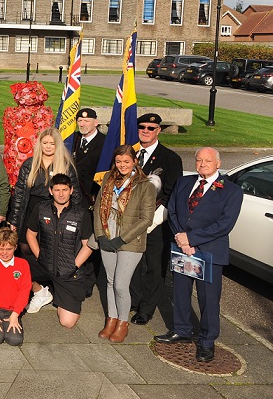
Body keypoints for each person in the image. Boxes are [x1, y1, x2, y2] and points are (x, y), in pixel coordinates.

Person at [156, 147, 243, 363]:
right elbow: (173, 210)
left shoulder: (231, 191)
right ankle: (182, 330)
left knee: (208, 300)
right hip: (182, 248)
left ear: (218, 164)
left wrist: (192, 239)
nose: (203, 164)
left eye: (208, 161)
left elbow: (224, 224)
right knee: (180, 292)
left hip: (209, 252)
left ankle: (206, 341)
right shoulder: (184, 182)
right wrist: (181, 238)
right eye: (199, 160)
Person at [94, 145, 156, 343]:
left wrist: (122, 239)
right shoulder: (108, 179)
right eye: (119, 161)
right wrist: (100, 234)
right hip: (108, 234)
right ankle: (111, 319)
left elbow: (146, 219)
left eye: (126, 162)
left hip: (130, 240)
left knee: (121, 284)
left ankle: (122, 322)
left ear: (135, 162)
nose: (122, 165)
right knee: (110, 281)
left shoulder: (145, 185)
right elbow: (97, 208)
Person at [130, 112, 184, 326]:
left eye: (150, 128)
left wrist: (153, 220)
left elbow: (172, 194)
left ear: (158, 130)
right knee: (132, 263)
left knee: (154, 267)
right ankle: (134, 300)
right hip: (131, 222)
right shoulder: (130, 153)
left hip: (156, 223)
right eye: (142, 127)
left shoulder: (170, 158)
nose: (145, 131)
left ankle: (146, 308)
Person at [25, 174, 94, 328]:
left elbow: (88, 245)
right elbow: (30, 234)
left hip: (68, 272)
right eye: (57, 190)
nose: (61, 194)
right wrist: (39, 255)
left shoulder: (81, 214)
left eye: (64, 189)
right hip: (45, 264)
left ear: (71, 190)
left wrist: (74, 265)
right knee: (17, 268)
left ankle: (59, 294)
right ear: (51, 191)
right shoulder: (41, 208)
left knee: (67, 322)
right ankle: (40, 291)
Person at [7, 127, 83, 254]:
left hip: (54, 212)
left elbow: (75, 196)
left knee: (49, 249)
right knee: (25, 247)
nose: (48, 147)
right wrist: (14, 219)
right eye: (45, 143)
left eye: (52, 144)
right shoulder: (29, 164)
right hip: (30, 210)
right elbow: (19, 194)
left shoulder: (66, 166)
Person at [72, 108, 106, 205]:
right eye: (80, 121)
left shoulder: (105, 142)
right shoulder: (73, 139)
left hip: (92, 195)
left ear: (96, 123)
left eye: (86, 121)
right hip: (72, 193)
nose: (82, 124)